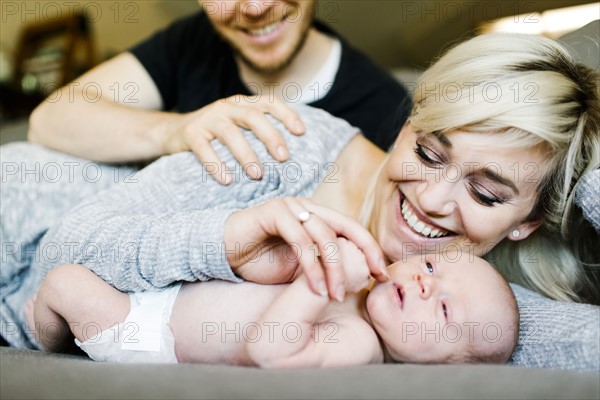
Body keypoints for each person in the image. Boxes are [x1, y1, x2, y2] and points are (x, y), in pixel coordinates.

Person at [1, 33, 598, 370]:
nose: (435, 200)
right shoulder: (288, 143)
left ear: (528, 221)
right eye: (430, 153)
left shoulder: (480, 311)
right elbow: (62, 256)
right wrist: (229, 238)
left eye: (486, 192)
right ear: (409, 121)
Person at [27, 0, 411, 184]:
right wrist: (176, 130)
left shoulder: (390, 115)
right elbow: (51, 119)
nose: (256, 7)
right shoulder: (193, 42)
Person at [28, 244, 518, 366]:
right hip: (165, 296)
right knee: (78, 267)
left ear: (444, 367)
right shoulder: (365, 289)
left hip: (149, 334)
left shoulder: (361, 345)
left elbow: (268, 351)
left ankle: (43, 338)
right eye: (431, 267)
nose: (425, 284)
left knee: (64, 283)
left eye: (446, 312)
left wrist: (320, 282)